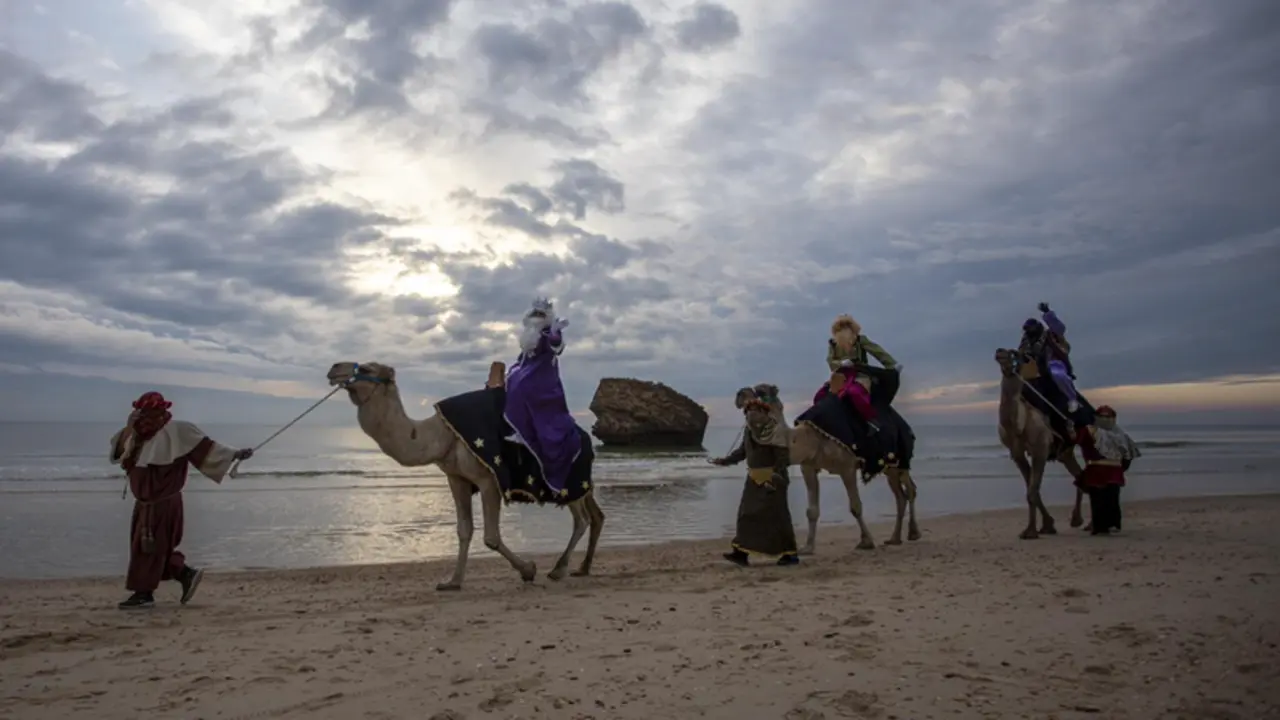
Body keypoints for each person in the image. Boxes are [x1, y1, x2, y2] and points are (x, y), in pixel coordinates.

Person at [109, 391, 253, 609]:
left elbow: (208, 449)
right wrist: (130, 427)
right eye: (141, 411)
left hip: (164, 503)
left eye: (149, 411)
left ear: (161, 410)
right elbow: (119, 453)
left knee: (151, 548)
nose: (144, 415)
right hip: (144, 505)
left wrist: (235, 454)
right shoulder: (135, 435)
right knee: (153, 548)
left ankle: (144, 594)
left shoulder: (178, 431)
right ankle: (185, 574)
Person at [711, 386, 799, 567]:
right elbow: (743, 452)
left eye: (754, 410)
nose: (751, 414)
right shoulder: (749, 431)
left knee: (778, 518)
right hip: (754, 478)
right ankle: (741, 553)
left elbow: (782, 457)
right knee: (746, 516)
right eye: (748, 411)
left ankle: (789, 554)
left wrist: (776, 477)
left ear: (763, 411)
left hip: (774, 479)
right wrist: (725, 461)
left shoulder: (776, 430)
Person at [503, 297, 581, 497]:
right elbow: (523, 359)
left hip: (543, 376)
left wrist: (555, 333)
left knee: (524, 386)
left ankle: (528, 435)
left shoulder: (548, 332)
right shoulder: (529, 335)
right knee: (513, 380)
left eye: (541, 315)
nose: (537, 318)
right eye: (535, 314)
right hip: (527, 370)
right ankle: (517, 428)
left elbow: (557, 347)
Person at [819, 314, 901, 430]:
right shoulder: (833, 344)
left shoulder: (860, 340)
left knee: (855, 393)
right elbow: (830, 360)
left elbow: (876, 350)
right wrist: (840, 364)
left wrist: (891, 364)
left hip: (860, 374)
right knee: (821, 394)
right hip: (841, 376)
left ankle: (871, 420)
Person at [1074, 405, 1141, 535]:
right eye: (1102, 417)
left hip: (1106, 470)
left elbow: (1127, 454)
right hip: (1103, 470)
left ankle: (1108, 525)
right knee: (1103, 499)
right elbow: (1076, 440)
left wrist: (1121, 469)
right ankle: (1105, 526)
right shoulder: (1097, 431)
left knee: (1108, 499)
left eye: (1108, 417)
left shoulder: (1116, 434)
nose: (1105, 420)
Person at [1019, 307, 1079, 413]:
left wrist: (1048, 314)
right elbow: (1020, 353)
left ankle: (1072, 399)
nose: (1029, 331)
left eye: (1031, 328)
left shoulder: (1050, 335)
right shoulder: (1026, 341)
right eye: (1027, 329)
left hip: (1053, 363)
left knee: (1058, 375)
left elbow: (1060, 328)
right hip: (1035, 369)